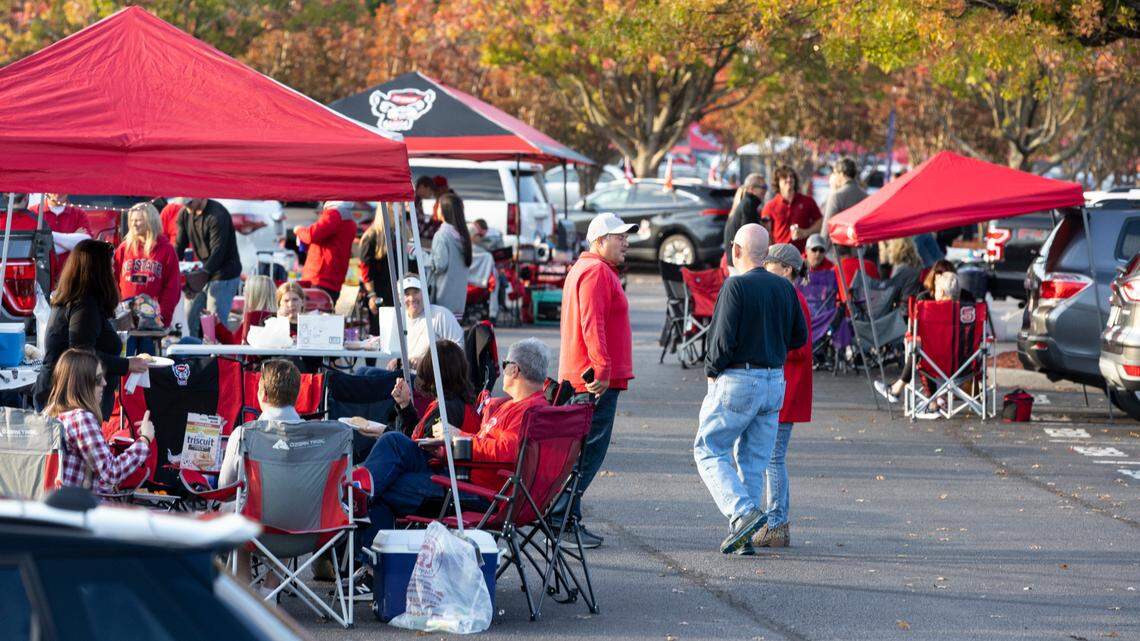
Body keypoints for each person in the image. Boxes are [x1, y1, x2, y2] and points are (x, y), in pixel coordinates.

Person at [360, 338, 551, 536]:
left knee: (382, 488)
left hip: (476, 492)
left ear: (514, 369)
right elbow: (488, 447)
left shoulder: (530, 412)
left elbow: (508, 451)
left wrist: (459, 437)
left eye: (505, 365)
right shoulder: (515, 406)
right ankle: (357, 497)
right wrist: (448, 446)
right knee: (393, 443)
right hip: (462, 476)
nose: (503, 371)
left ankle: (369, 550)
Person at [693, 223, 808, 554]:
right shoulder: (785, 288)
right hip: (774, 380)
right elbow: (799, 337)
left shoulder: (735, 286)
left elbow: (722, 341)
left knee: (708, 448)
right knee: (753, 461)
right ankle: (743, 535)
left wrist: (712, 371)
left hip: (740, 378)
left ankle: (742, 513)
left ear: (737, 250)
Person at [557, 211, 636, 549]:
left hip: (588, 377)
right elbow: (593, 324)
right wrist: (602, 369)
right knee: (586, 453)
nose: (626, 243)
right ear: (600, 241)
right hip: (591, 380)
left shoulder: (590, 269)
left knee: (582, 451)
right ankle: (561, 518)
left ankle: (565, 516)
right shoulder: (595, 272)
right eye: (620, 237)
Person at [34, 240, 150, 417]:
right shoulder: (83, 305)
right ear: (98, 271)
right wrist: (127, 364)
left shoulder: (80, 301)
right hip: (72, 399)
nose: (113, 272)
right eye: (110, 267)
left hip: (70, 395)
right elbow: (82, 354)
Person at [756, 244, 812, 550]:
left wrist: (770, 344)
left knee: (772, 459)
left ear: (787, 269)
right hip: (786, 387)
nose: (765, 268)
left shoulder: (794, 298)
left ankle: (777, 523)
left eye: (770, 264)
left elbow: (801, 348)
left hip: (788, 389)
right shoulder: (790, 296)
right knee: (772, 458)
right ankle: (777, 521)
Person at [44, 348, 154, 494]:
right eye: (97, 379)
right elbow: (111, 472)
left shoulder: (48, 414)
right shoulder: (81, 418)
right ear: (80, 384)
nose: (104, 383)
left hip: (55, 507)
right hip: (80, 510)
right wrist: (145, 440)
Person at [874, 271, 965, 406]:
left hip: (934, 363)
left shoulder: (930, 310)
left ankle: (907, 393)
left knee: (920, 350)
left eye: (937, 289)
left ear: (943, 291)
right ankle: (934, 399)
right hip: (963, 364)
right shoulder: (968, 311)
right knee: (926, 352)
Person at [218, 359, 303, 488]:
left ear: (263, 394)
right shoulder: (319, 436)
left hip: (255, 507)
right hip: (305, 507)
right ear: (297, 396)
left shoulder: (242, 435)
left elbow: (225, 488)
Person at [175, 198, 242, 337]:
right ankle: (192, 355)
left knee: (215, 325)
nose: (187, 206)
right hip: (203, 270)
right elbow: (179, 245)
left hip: (224, 274)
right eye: (184, 203)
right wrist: (172, 266)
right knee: (188, 320)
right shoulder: (185, 213)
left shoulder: (217, 215)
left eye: (189, 202)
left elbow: (218, 252)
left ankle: (217, 358)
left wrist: (201, 277)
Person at [114, 202, 181, 341]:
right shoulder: (124, 248)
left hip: (152, 324)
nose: (134, 224)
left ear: (150, 221)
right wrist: (116, 311)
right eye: (131, 220)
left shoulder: (166, 250)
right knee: (128, 359)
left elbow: (172, 288)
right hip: (126, 321)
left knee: (150, 360)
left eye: (138, 220)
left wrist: (163, 318)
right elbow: (112, 280)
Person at [388, 340, 478, 439]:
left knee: (388, 440)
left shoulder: (446, 409)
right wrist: (404, 404)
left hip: (431, 454)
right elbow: (418, 435)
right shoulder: (454, 402)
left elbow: (419, 448)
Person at [386, 275, 464, 369]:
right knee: (366, 372)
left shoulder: (440, 315)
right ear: (399, 297)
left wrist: (427, 363)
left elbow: (459, 349)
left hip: (432, 379)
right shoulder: (397, 319)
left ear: (424, 293)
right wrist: (397, 361)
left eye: (416, 292)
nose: (412, 298)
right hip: (404, 377)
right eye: (406, 294)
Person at [294, 201, 357, 303]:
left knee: (312, 315)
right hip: (333, 281)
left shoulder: (334, 214)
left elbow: (311, 235)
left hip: (320, 279)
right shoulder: (347, 217)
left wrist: (298, 230)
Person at [428, 193, 472, 318]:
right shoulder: (463, 234)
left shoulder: (442, 235)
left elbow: (439, 264)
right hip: (458, 300)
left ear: (445, 211)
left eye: (438, 206)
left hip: (443, 298)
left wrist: (418, 254)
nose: (436, 209)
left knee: (442, 336)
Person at [761, 165, 822, 252]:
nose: (789, 179)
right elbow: (765, 232)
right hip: (779, 255)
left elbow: (820, 222)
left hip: (804, 255)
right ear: (777, 182)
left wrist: (806, 232)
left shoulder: (808, 201)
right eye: (784, 177)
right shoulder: (770, 206)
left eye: (791, 176)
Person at [30, 193, 93, 275]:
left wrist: (45, 235)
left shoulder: (79, 214)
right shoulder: (33, 212)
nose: (57, 191)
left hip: (72, 275)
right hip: (41, 275)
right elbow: (32, 246)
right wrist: (71, 242)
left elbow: (86, 244)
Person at [205, 275, 277, 345]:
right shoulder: (275, 319)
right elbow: (235, 344)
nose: (244, 293)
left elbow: (237, 351)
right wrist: (218, 325)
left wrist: (214, 348)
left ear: (254, 295)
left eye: (246, 290)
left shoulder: (253, 318)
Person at [359, 215, 394, 338]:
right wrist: (371, 295)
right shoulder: (372, 236)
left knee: (394, 334)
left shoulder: (402, 231)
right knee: (376, 334)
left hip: (394, 293)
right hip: (379, 294)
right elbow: (365, 269)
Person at [723, 173, 766, 271]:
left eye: (766, 187)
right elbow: (750, 238)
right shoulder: (748, 205)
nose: (765, 191)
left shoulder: (747, 203)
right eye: (763, 187)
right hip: (740, 263)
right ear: (751, 189)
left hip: (736, 260)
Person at [820, 159, 867, 247]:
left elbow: (827, 228)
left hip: (839, 250)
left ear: (841, 174)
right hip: (860, 250)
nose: (833, 176)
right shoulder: (865, 196)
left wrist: (821, 248)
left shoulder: (837, 196)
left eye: (835, 173)